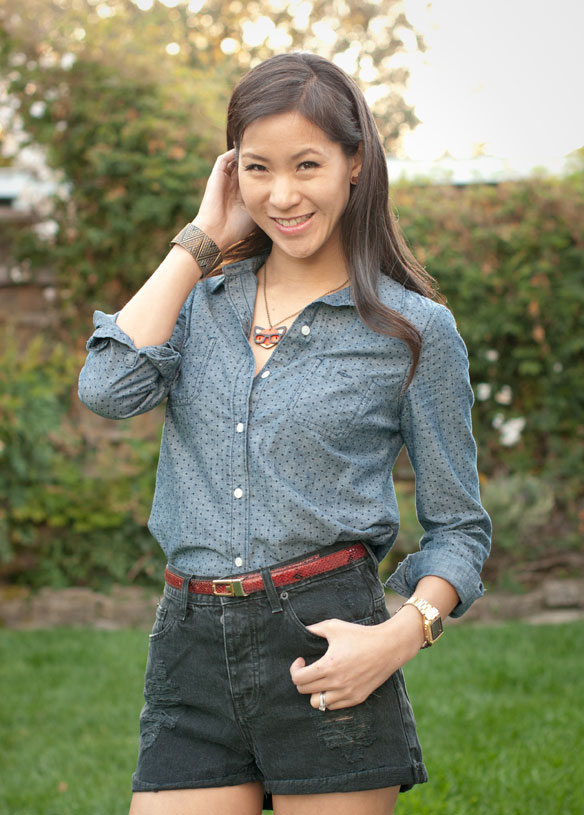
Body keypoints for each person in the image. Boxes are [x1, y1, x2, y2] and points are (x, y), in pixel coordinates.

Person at [78, 51, 491, 815]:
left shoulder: (414, 331)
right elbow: (106, 389)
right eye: (259, 168)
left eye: (308, 164)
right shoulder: (200, 305)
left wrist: (398, 637)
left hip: (331, 643)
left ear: (355, 164)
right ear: (233, 174)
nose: (284, 194)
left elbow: (460, 530)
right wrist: (201, 237)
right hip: (191, 652)